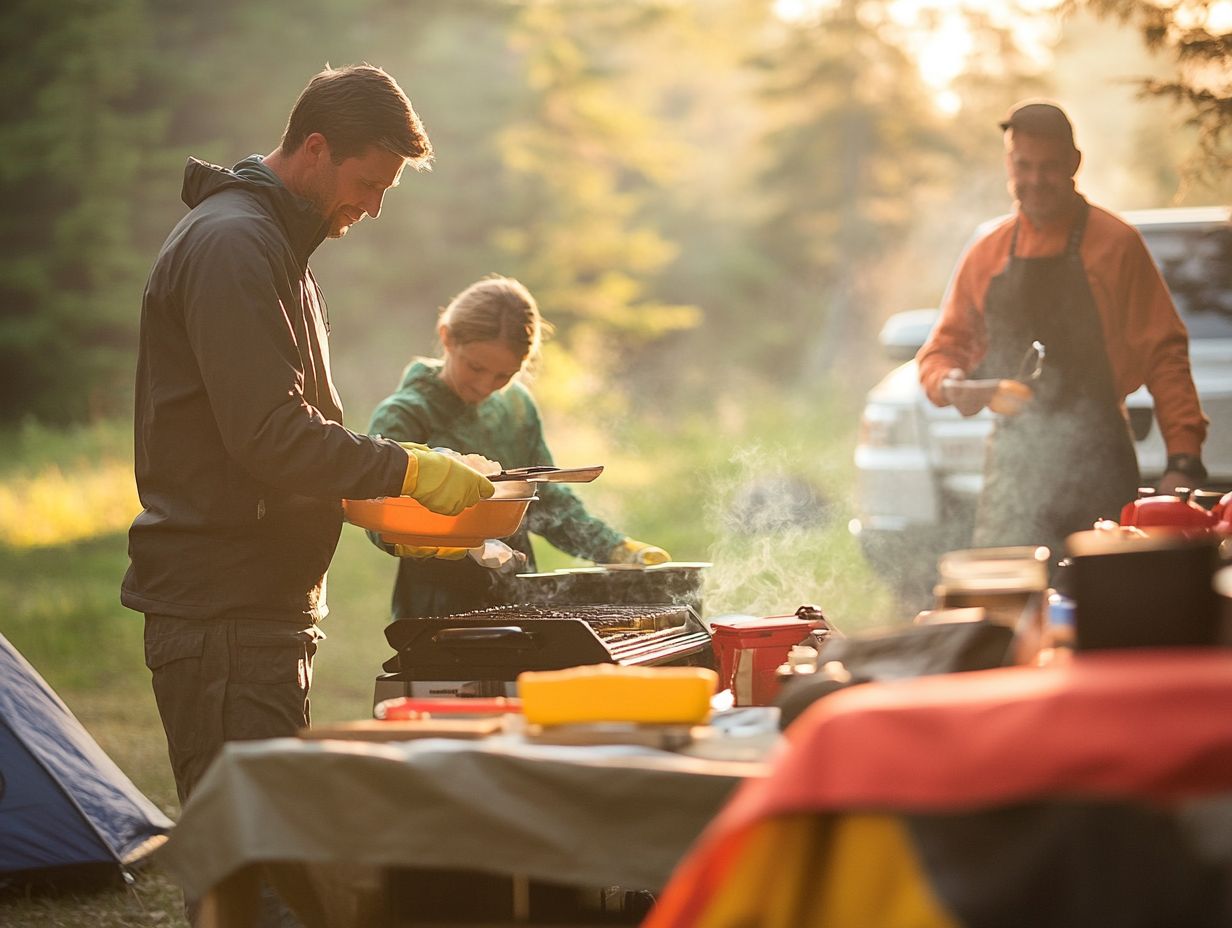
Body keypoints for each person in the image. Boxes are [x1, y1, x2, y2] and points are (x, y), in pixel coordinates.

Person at [121, 65, 495, 818]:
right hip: (223, 611)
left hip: (257, 605)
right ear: (316, 148)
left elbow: (288, 443)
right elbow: (271, 437)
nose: (374, 207)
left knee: (271, 851)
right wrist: (411, 468)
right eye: (369, 182)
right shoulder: (235, 245)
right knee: (255, 866)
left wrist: (393, 517)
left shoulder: (279, 250)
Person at [916, 99, 1208, 560]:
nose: (1034, 180)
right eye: (1023, 167)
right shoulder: (987, 252)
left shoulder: (1117, 245)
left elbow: (1164, 353)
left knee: (1108, 611)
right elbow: (941, 352)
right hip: (1013, 469)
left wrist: (1183, 460)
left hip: (1100, 464)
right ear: (1009, 164)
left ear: (1075, 163)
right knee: (1005, 611)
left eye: (1049, 167)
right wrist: (952, 386)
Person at [366, 275, 671, 617]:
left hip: (521, 601)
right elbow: (380, 523)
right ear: (447, 337)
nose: (486, 385)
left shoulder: (516, 407)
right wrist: (451, 539)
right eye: (476, 367)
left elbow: (548, 502)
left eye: (504, 375)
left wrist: (615, 548)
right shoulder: (404, 415)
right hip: (436, 612)